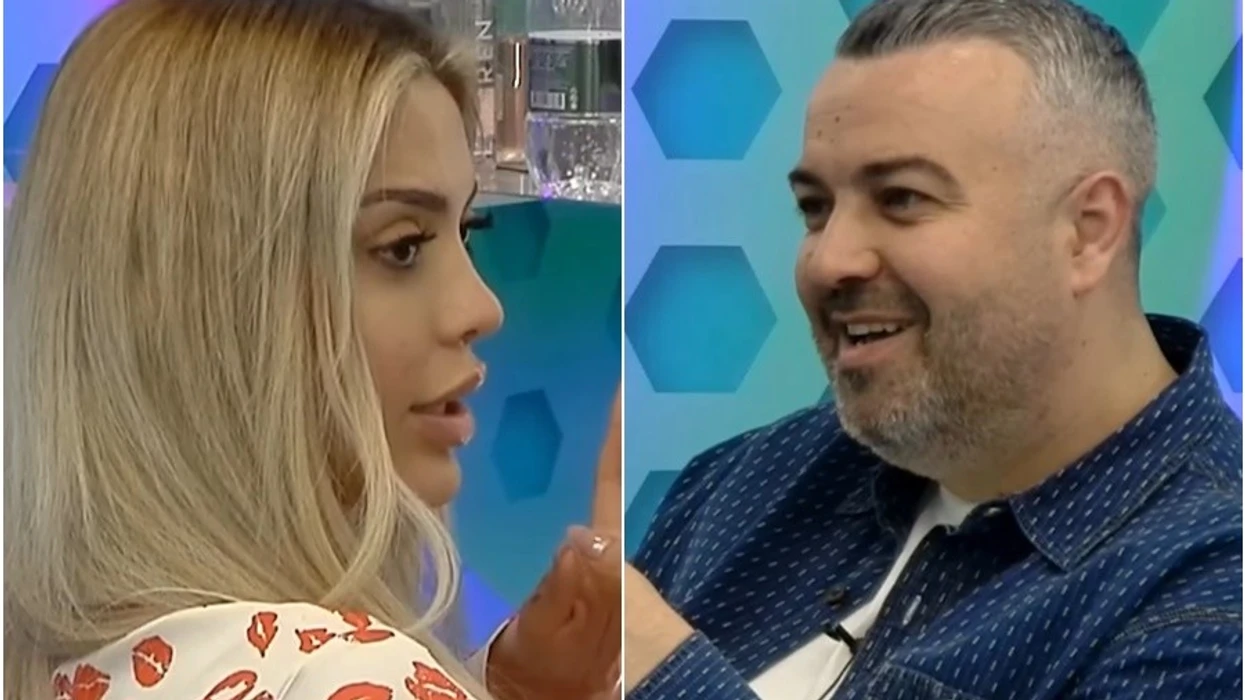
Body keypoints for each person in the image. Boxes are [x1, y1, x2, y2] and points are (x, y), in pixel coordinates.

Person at [623, 0, 1242, 698]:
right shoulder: (745, 485)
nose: (830, 261)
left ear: (1087, 229)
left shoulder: (1215, 599)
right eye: (816, 209)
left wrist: (655, 669)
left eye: (902, 199)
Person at [3, 0, 620, 698]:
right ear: (207, 298)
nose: (482, 308)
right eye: (403, 247)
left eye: (467, 232)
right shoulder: (349, 676)